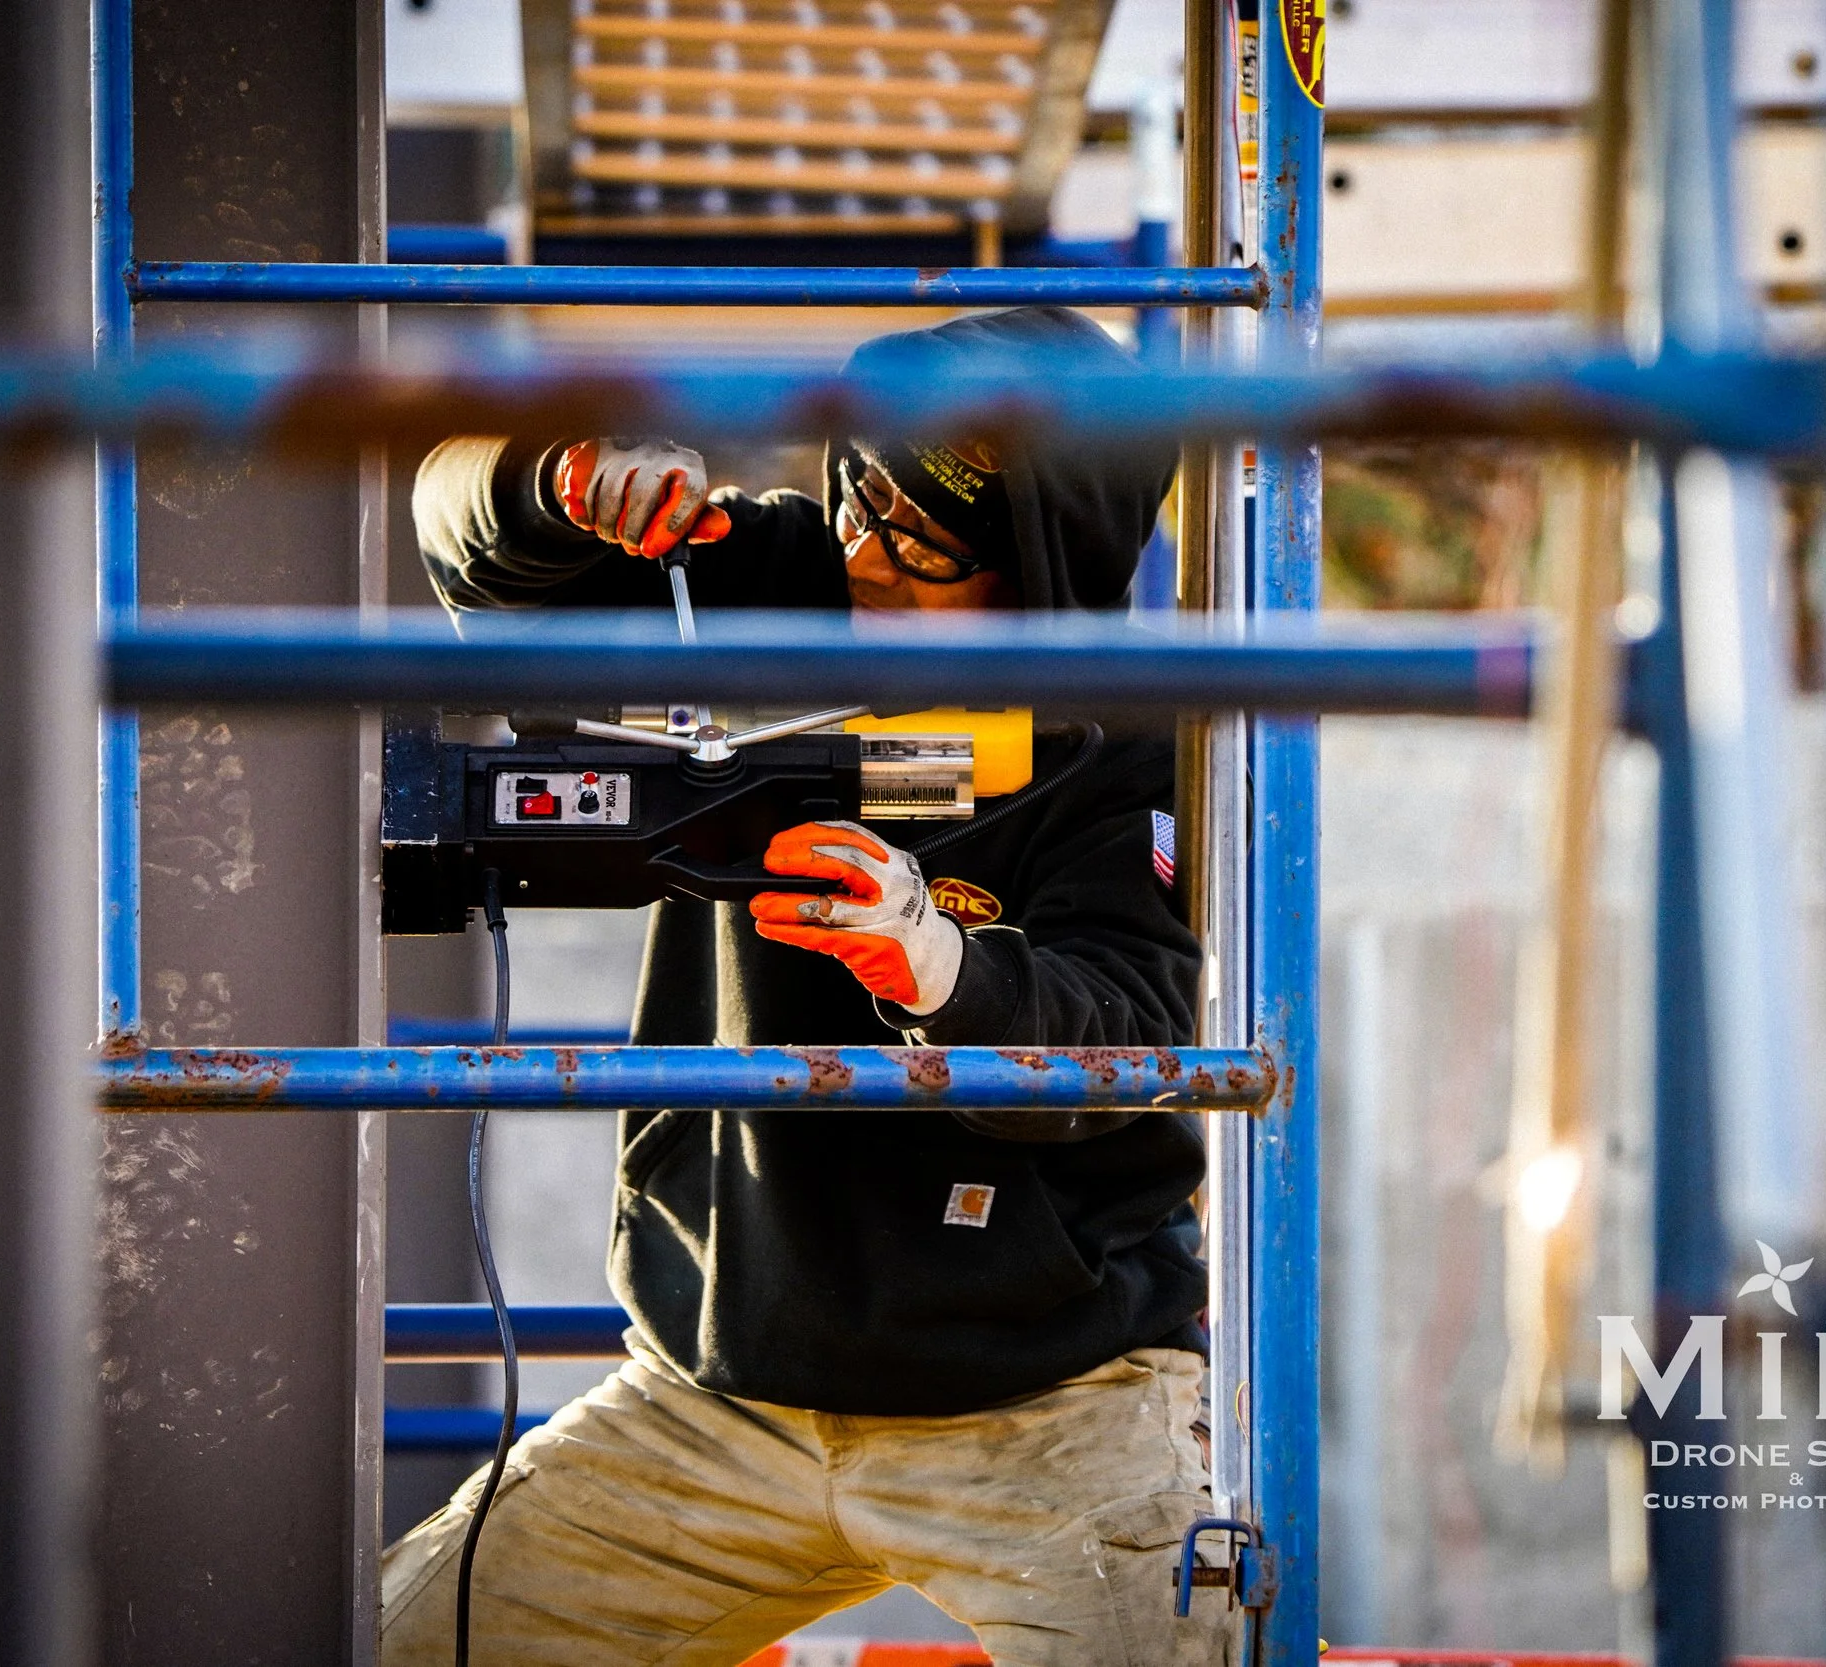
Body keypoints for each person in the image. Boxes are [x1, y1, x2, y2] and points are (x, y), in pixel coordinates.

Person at [380, 307, 1237, 1667]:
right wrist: (559, 480)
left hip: (1051, 1399)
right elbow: (466, 550)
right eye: (861, 495)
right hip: (718, 1395)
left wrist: (942, 968)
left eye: (928, 542)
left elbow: (1127, 1032)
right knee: (404, 1640)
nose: (869, 555)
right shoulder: (774, 578)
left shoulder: (1122, 742)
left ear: (1042, 572)